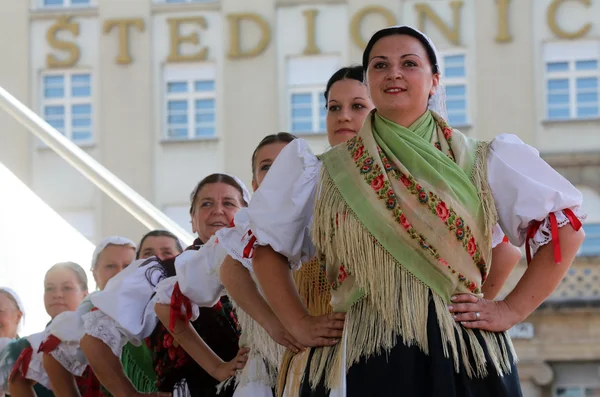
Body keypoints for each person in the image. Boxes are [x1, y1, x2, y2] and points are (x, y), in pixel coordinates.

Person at [245, 26, 585, 396]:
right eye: (380, 65)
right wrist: (296, 322)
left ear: (434, 80)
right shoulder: (321, 171)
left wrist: (510, 310)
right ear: (369, 81)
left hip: (460, 350)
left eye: (409, 63)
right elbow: (264, 248)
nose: (393, 73)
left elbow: (566, 229)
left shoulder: (484, 159)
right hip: (362, 351)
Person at [154, 133, 303, 397]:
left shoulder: (332, 216)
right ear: (256, 184)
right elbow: (166, 301)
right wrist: (217, 368)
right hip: (263, 377)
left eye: (287, 162)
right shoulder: (239, 236)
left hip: (330, 361)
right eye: (267, 167)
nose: (277, 172)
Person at [80, 174, 251, 397]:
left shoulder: (266, 264)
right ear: (192, 219)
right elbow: (93, 340)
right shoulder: (159, 273)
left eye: (228, 203)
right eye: (206, 203)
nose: (218, 210)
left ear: (245, 214)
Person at [40, 236, 136, 397]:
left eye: (128, 266)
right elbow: (52, 354)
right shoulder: (83, 315)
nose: (120, 272)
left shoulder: (154, 305)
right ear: (95, 274)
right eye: (110, 266)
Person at [1, 262, 88, 397]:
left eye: (67, 288)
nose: (57, 294)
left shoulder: (106, 336)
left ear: (85, 294)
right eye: (49, 288)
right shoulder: (22, 348)